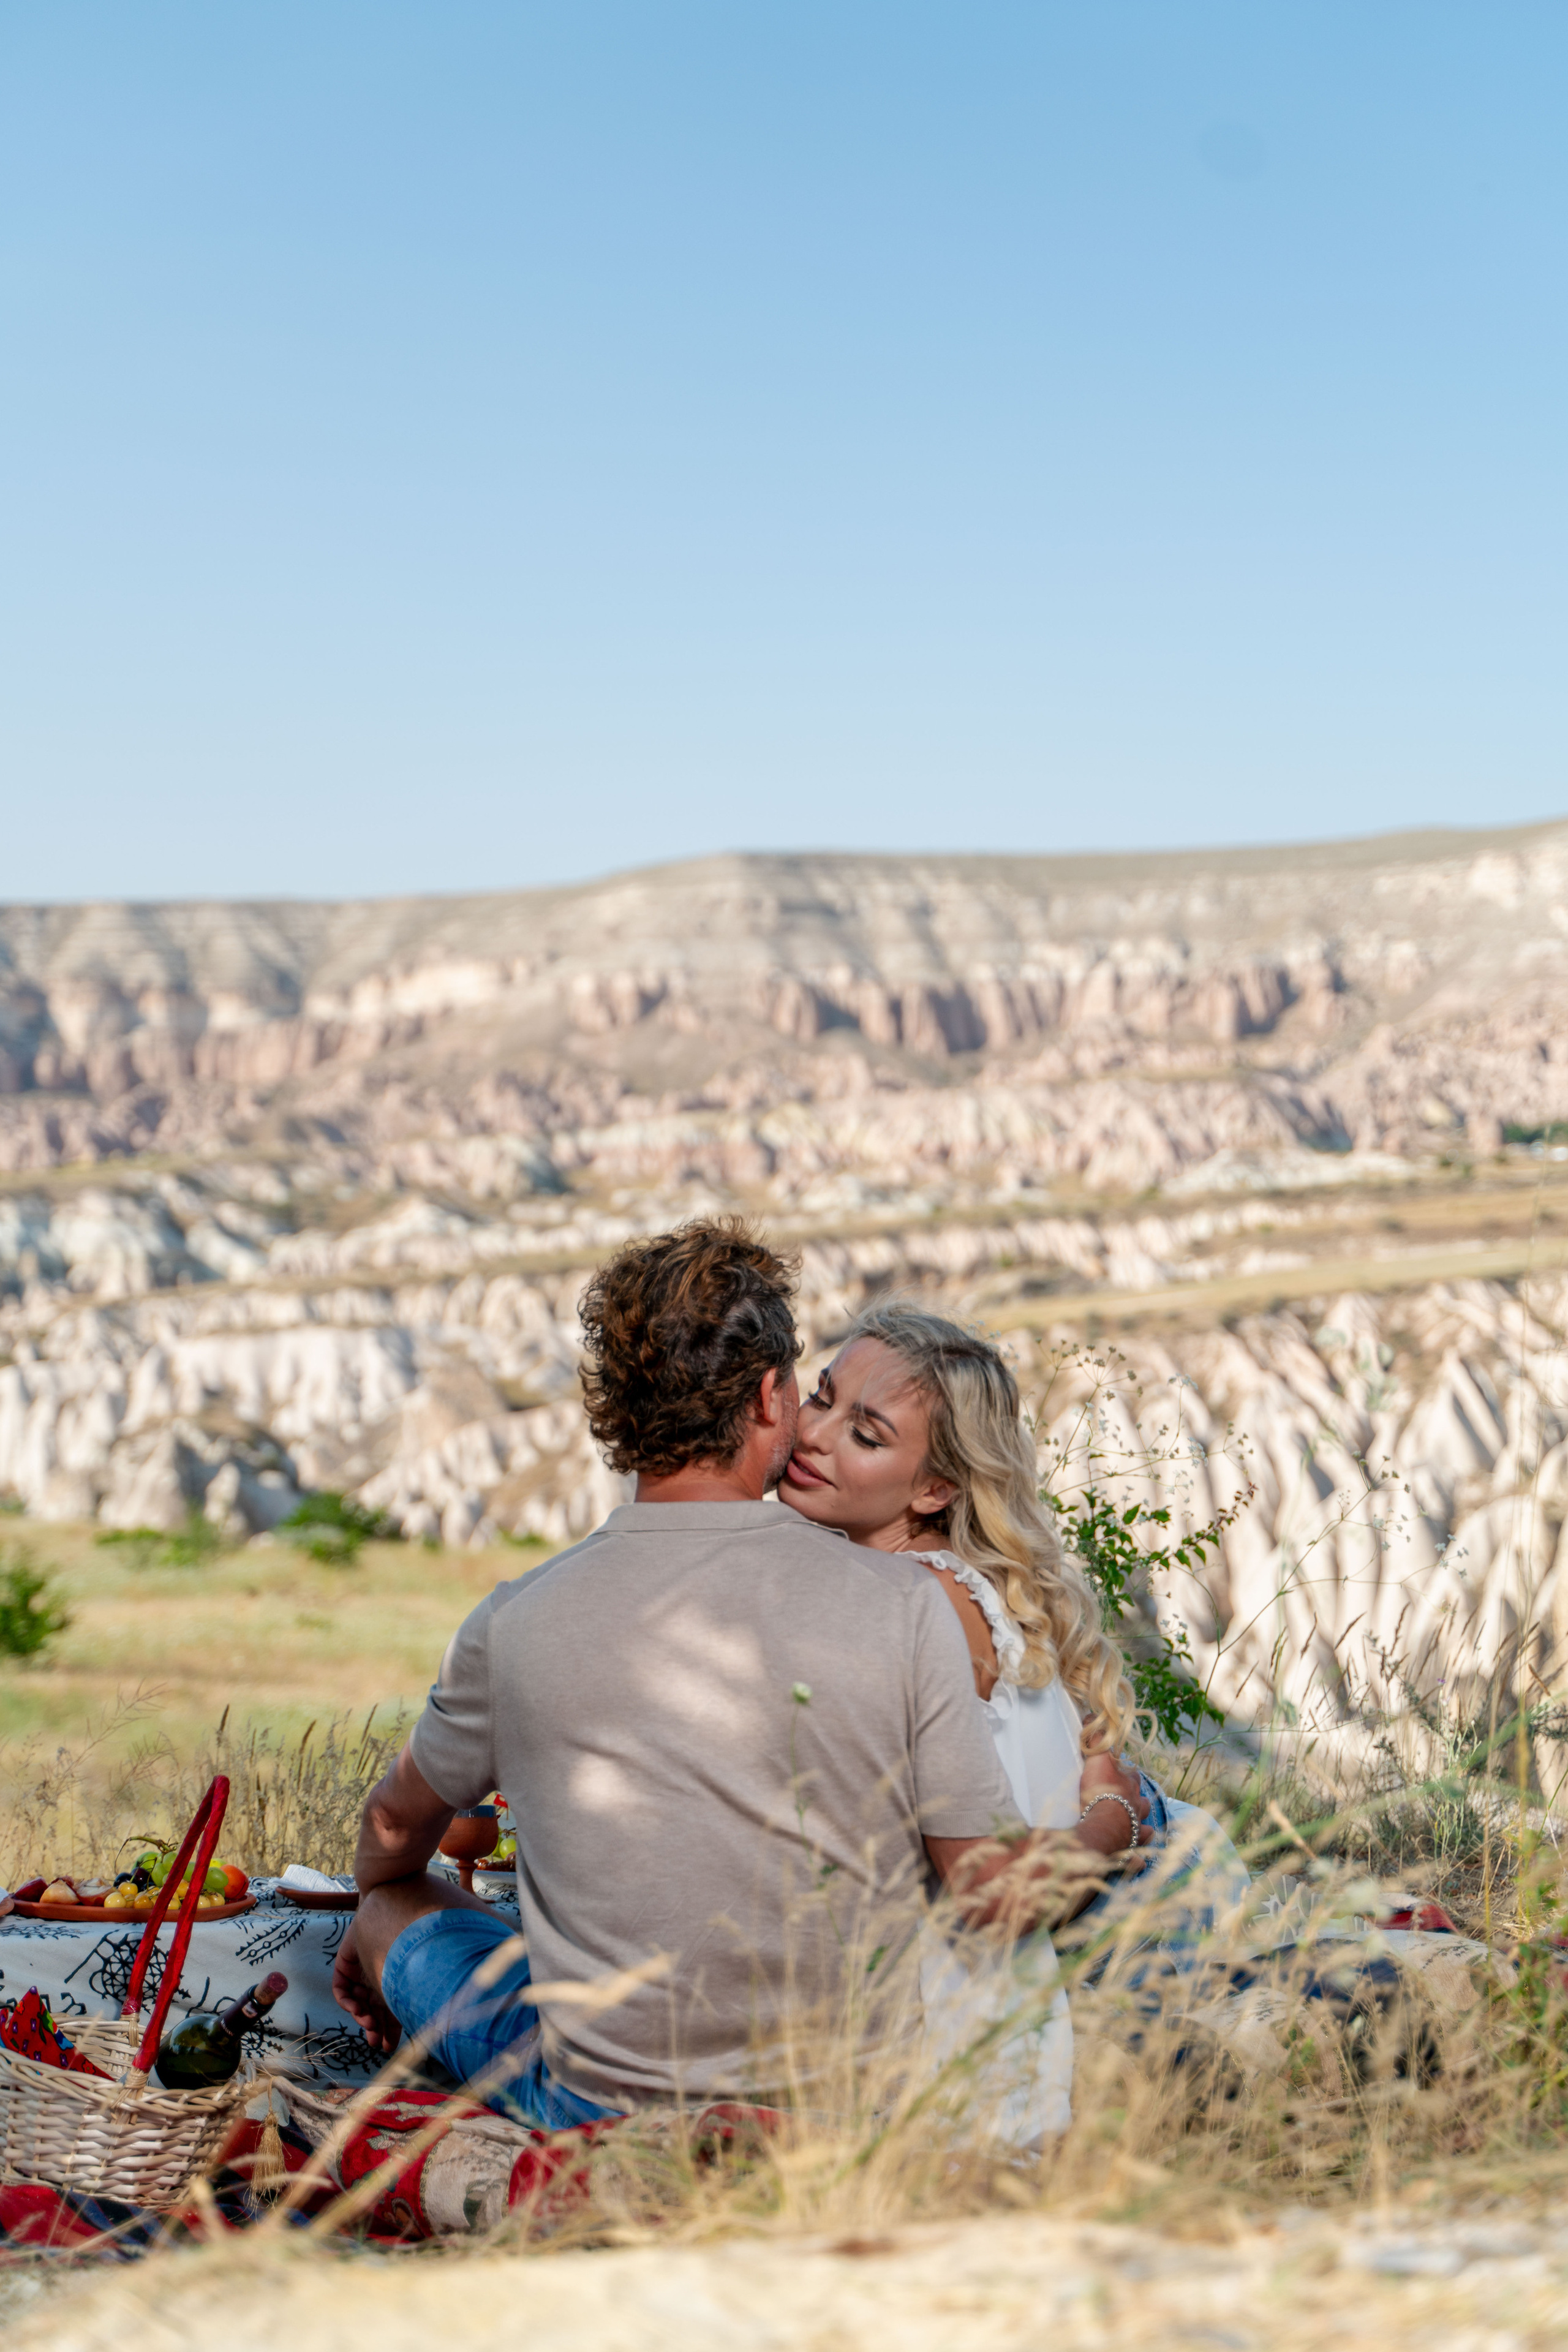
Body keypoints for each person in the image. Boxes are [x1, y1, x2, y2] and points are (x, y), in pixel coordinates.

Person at [332, 1221, 1133, 2125]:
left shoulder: (513, 1620)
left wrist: (374, 1900)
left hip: (600, 2110)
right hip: (834, 2111)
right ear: (769, 1397)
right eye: (811, 1391)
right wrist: (1116, 1808)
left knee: (396, 1904)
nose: (817, 1426)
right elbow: (989, 1883)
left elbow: (393, 1831)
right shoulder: (904, 1606)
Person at [776, 1300, 1244, 2135]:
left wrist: (1117, 1811)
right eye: (821, 1397)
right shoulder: (911, 1581)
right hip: (1103, 1880)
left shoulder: (920, 1607)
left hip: (1141, 1893)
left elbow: (1008, 1887)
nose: (813, 1436)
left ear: (935, 1488)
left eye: (867, 1434)